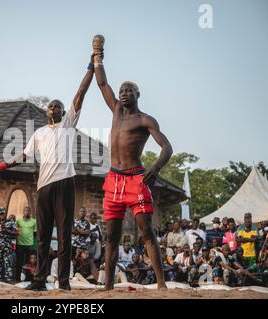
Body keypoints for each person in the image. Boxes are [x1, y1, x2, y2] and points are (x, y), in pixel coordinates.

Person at [0, 54, 96, 291]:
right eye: (51, 106)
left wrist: (92, 66)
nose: (54, 107)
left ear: (65, 111)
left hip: (65, 183)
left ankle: (64, 282)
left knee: (64, 237)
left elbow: (80, 92)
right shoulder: (40, 133)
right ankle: (39, 280)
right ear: (47, 112)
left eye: (58, 105)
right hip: (44, 187)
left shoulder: (68, 124)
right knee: (43, 236)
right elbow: (22, 156)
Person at [94, 44, 172, 291]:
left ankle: (161, 284)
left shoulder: (145, 119)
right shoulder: (116, 110)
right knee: (111, 237)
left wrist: (156, 169)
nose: (124, 93)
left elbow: (167, 147)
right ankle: (107, 286)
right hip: (114, 179)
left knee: (146, 231)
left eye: (129, 90)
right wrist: (98, 59)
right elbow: (102, 85)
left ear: (138, 95)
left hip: (136, 178)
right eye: (122, 90)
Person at [0, 207, 17, 283]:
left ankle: (9, 279)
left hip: (7, 247)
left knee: (7, 263)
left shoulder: (11, 222)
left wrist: (8, 232)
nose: (2, 215)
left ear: (5, 214)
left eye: (3, 213)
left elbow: (17, 233)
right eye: (0, 214)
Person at [15, 207, 36, 282]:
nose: (27, 212)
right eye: (25, 211)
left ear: (30, 212)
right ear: (23, 212)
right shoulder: (18, 221)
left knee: (29, 263)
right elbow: (15, 231)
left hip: (29, 244)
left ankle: (28, 278)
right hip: (20, 244)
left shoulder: (34, 221)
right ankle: (17, 278)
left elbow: (36, 232)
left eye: (28, 211)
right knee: (19, 262)